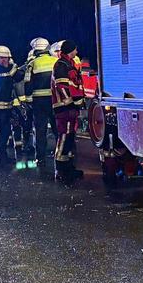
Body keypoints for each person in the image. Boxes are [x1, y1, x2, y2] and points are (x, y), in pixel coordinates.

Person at [52, 41, 86, 181]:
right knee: (64, 136)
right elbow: (62, 86)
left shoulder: (68, 64)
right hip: (64, 108)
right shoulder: (61, 65)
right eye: (75, 50)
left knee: (70, 137)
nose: (76, 52)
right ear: (70, 50)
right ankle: (60, 169)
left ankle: (69, 167)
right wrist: (70, 102)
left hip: (71, 108)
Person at [25, 37, 58, 163]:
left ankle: (40, 158)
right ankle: (62, 154)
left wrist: (28, 102)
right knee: (57, 129)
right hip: (55, 100)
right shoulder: (55, 61)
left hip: (39, 103)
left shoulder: (32, 64)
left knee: (40, 131)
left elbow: (27, 84)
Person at [11, 49, 35, 157]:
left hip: (21, 104)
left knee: (22, 126)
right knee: (25, 125)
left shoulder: (21, 70)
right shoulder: (24, 71)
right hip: (24, 104)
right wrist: (24, 103)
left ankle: (20, 146)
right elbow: (20, 88)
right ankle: (23, 146)